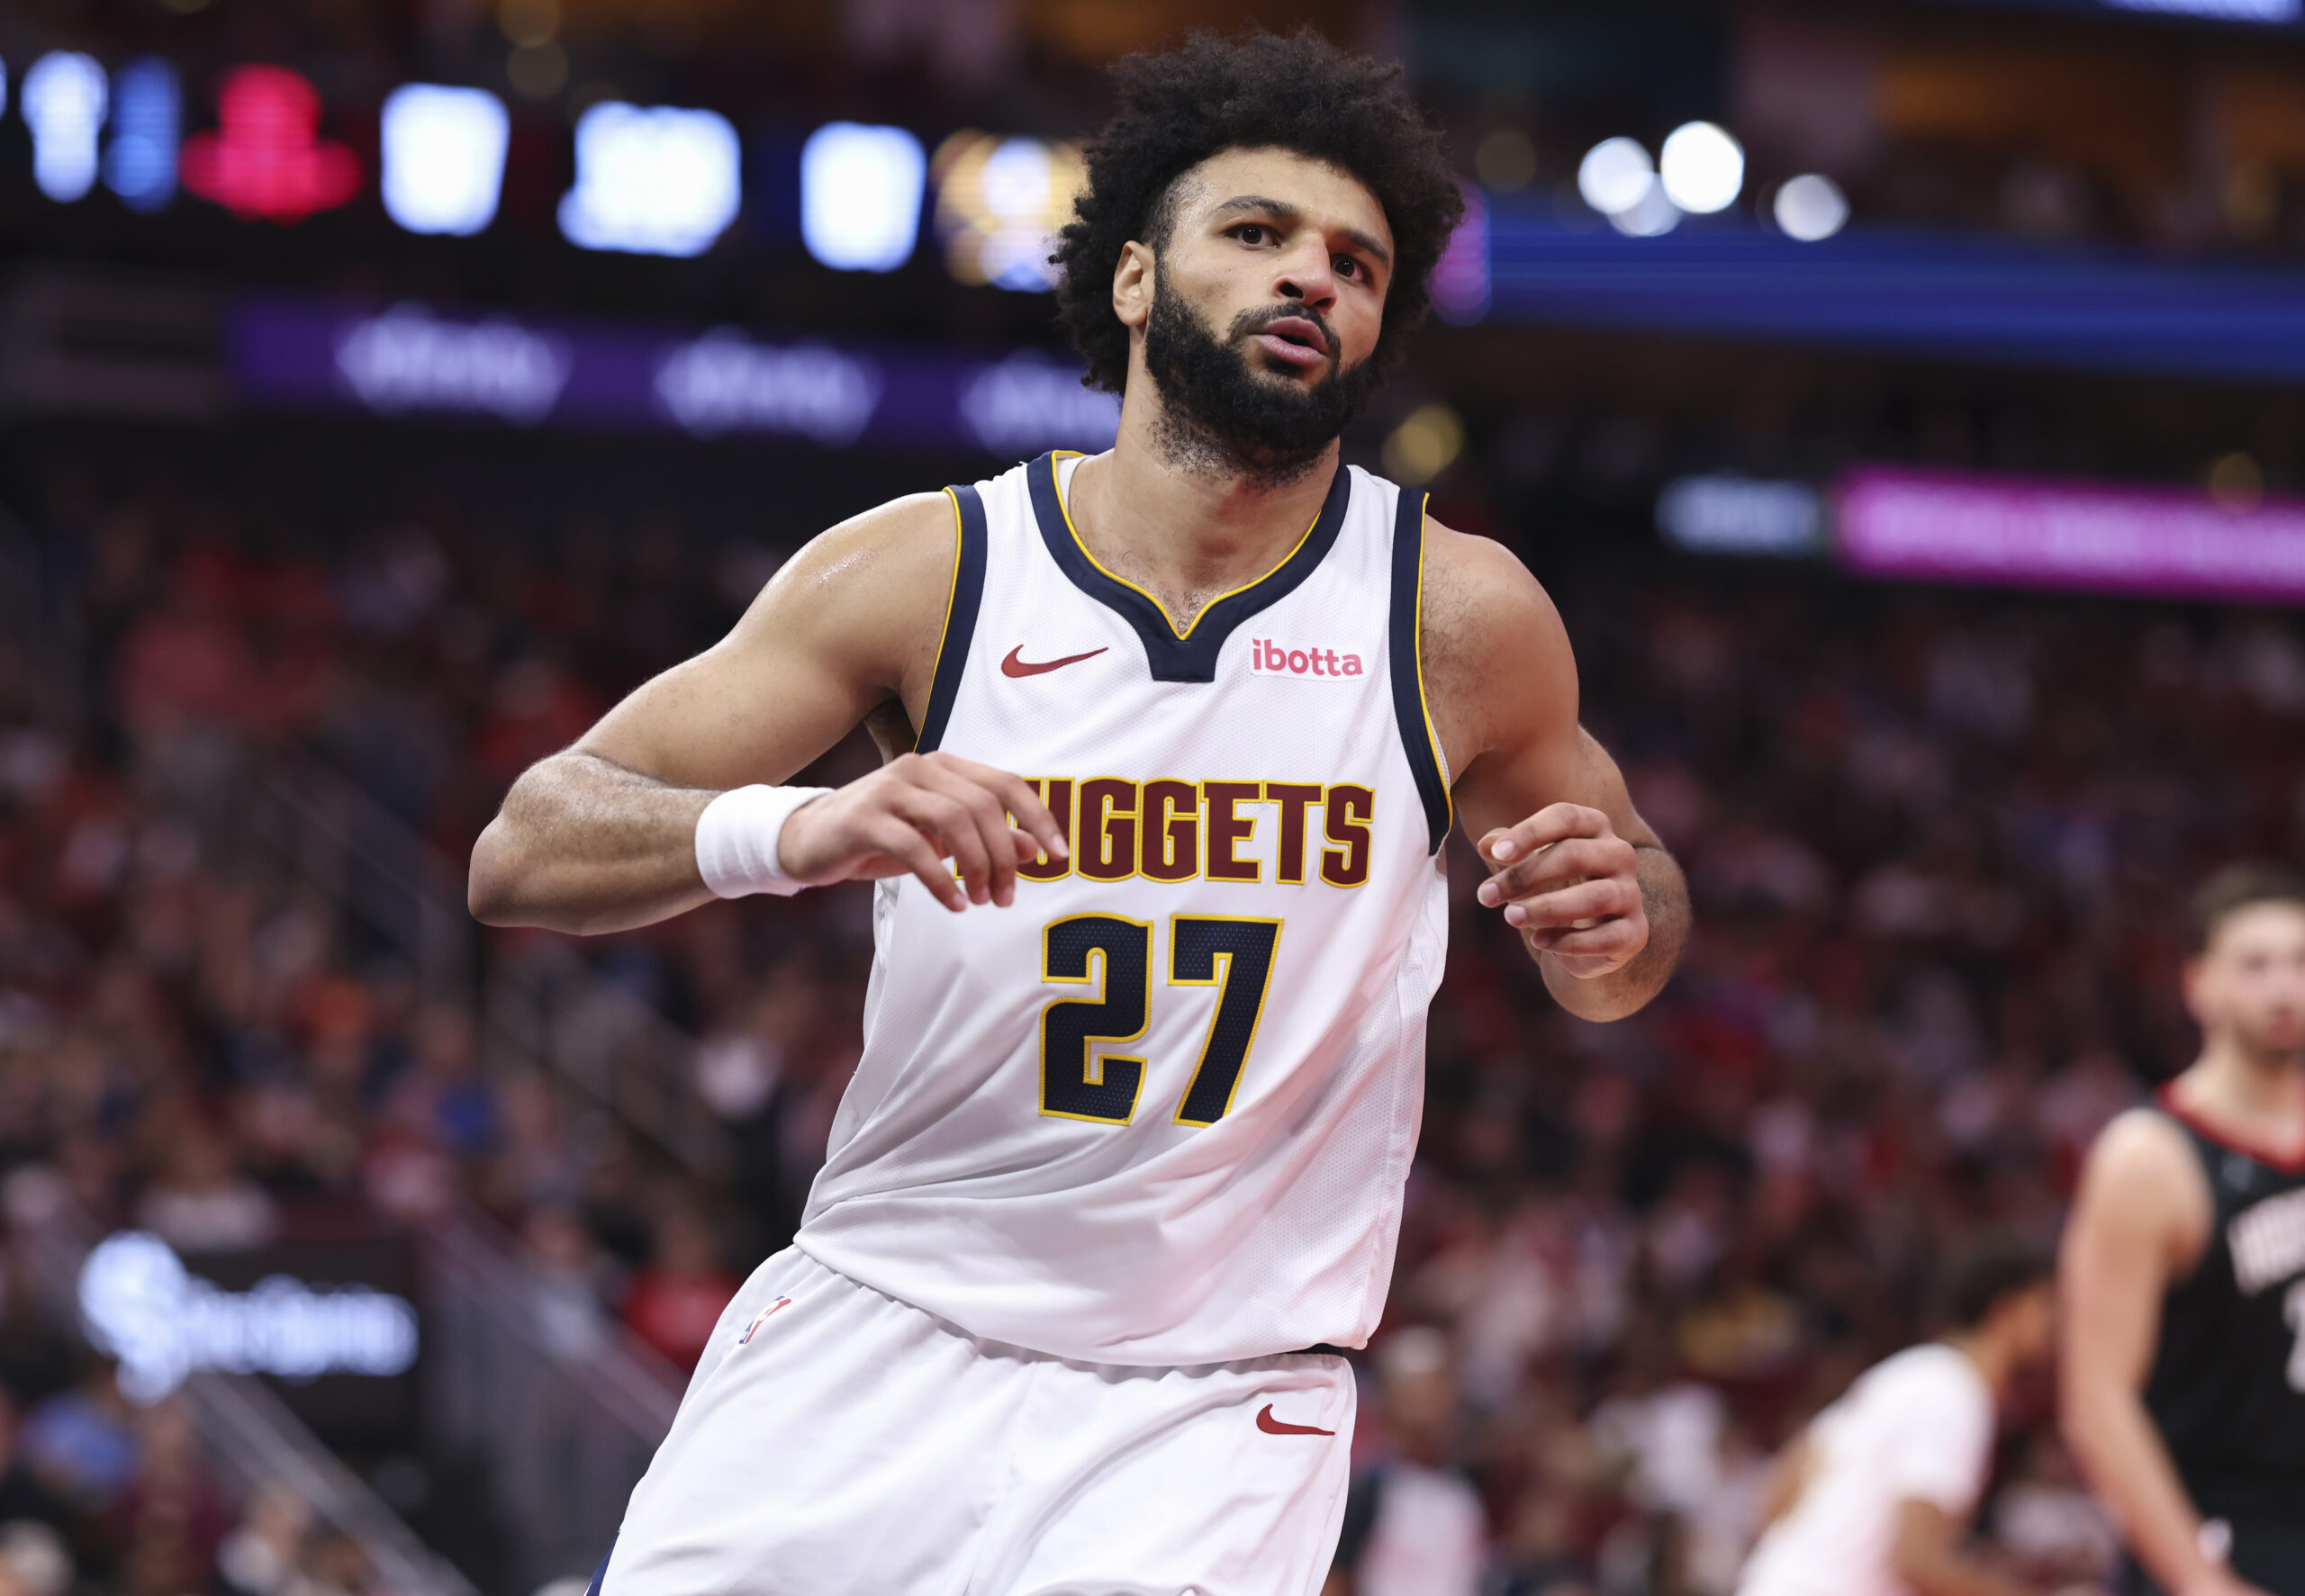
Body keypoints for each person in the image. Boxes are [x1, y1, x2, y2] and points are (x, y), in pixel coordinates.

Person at [467, 29, 1690, 1595]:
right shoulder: (933, 570)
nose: (1312, 278)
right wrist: (800, 827)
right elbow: (527, 844)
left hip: (1210, 1398)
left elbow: (1621, 947)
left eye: (1356, 262)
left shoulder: (1458, 615)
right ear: (1132, 281)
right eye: (1257, 236)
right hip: (880, 1322)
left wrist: (1623, 913)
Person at [2061, 864, 2305, 1596]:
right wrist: (2199, 1580)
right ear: (2199, 984)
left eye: (2300, 962)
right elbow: (2097, 1398)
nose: (2283, 987)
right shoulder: (2149, 1157)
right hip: (2219, 1526)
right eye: (2255, 965)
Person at [1735, 1236, 2059, 1596]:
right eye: (2045, 1303)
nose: (2055, 1322)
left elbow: (1774, 1498)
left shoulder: (1903, 1375)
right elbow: (1918, 1560)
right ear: (2006, 1310)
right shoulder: (1954, 1394)